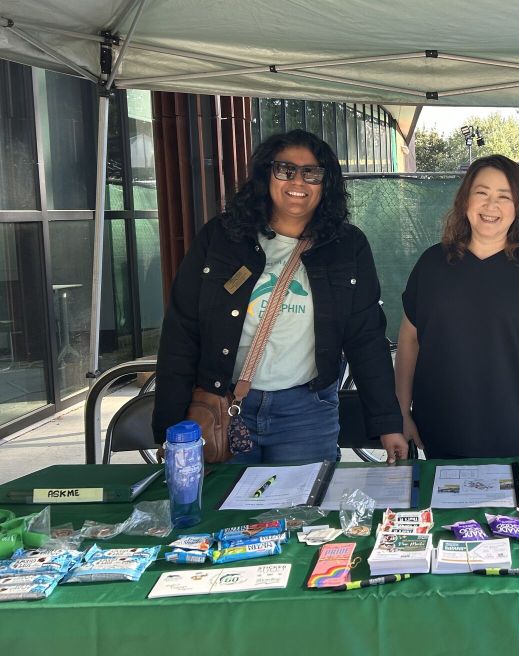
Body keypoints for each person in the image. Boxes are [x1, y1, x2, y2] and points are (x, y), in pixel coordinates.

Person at [152, 129, 407, 464]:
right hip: (222, 409)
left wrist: (388, 423)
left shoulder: (347, 247)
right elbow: (181, 332)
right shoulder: (222, 238)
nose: (297, 181)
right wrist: (169, 429)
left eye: (311, 173)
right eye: (285, 169)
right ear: (266, 174)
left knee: (304, 514)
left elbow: (366, 339)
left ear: (325, 184)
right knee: (224, 511)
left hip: (306, 414)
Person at [395, 155, 519, 458]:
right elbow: (409, 341)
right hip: (440, 435)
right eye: (482, 193)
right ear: (465, 201)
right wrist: (402, 413)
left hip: (518, 438)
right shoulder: (433, 264)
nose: (491, 206)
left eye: (504, 197)